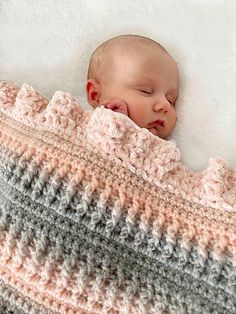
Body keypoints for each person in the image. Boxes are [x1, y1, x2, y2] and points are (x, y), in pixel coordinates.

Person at [86, 34, 179, 139]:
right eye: (146, 91)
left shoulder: (166, 151)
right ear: (96, 95)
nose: (165, 105)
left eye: (171, 100)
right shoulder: (75, 129)